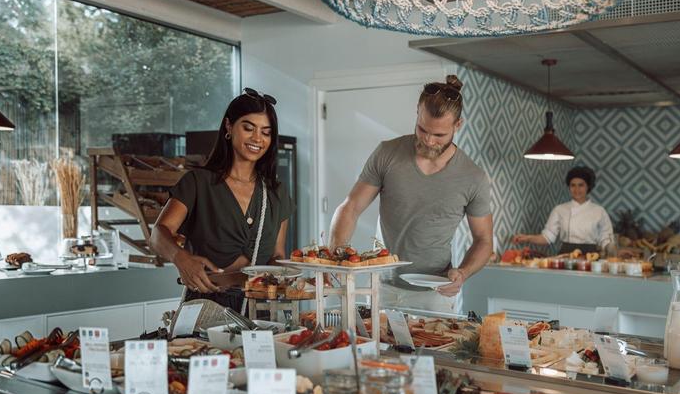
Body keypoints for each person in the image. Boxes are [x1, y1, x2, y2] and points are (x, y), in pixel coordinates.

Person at [329, 75, 493, 312]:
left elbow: (484, 240)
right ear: (417, 112)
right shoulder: (387, 153)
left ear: (458, 125)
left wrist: (463, 273)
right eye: (422, 129)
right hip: (379, 288)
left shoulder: (473, 177)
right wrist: (337, 260)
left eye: (439, 136)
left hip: (434, 294)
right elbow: (350, 207)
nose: (428, 140)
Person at [151, 88, 294, 313]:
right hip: (205, 307)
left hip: (260, 310)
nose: (258, 138)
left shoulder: (277, 192)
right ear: (229, 126)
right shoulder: (198, 183)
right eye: (248, 128)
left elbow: (277, 255)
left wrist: (292, 275)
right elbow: (158, 233)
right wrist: (181, 258)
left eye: (266, 132)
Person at [512, 166, 613, 255]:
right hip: (566, 256)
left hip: (591, 256)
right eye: (573, 185)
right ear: (569, 187)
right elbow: (547, 237)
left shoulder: (599, 211)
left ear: (588, 187)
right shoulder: (559, 209)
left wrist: (616, 251)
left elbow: (606, 239)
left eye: (581, 185)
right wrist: (528, 238)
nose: (576, 189)